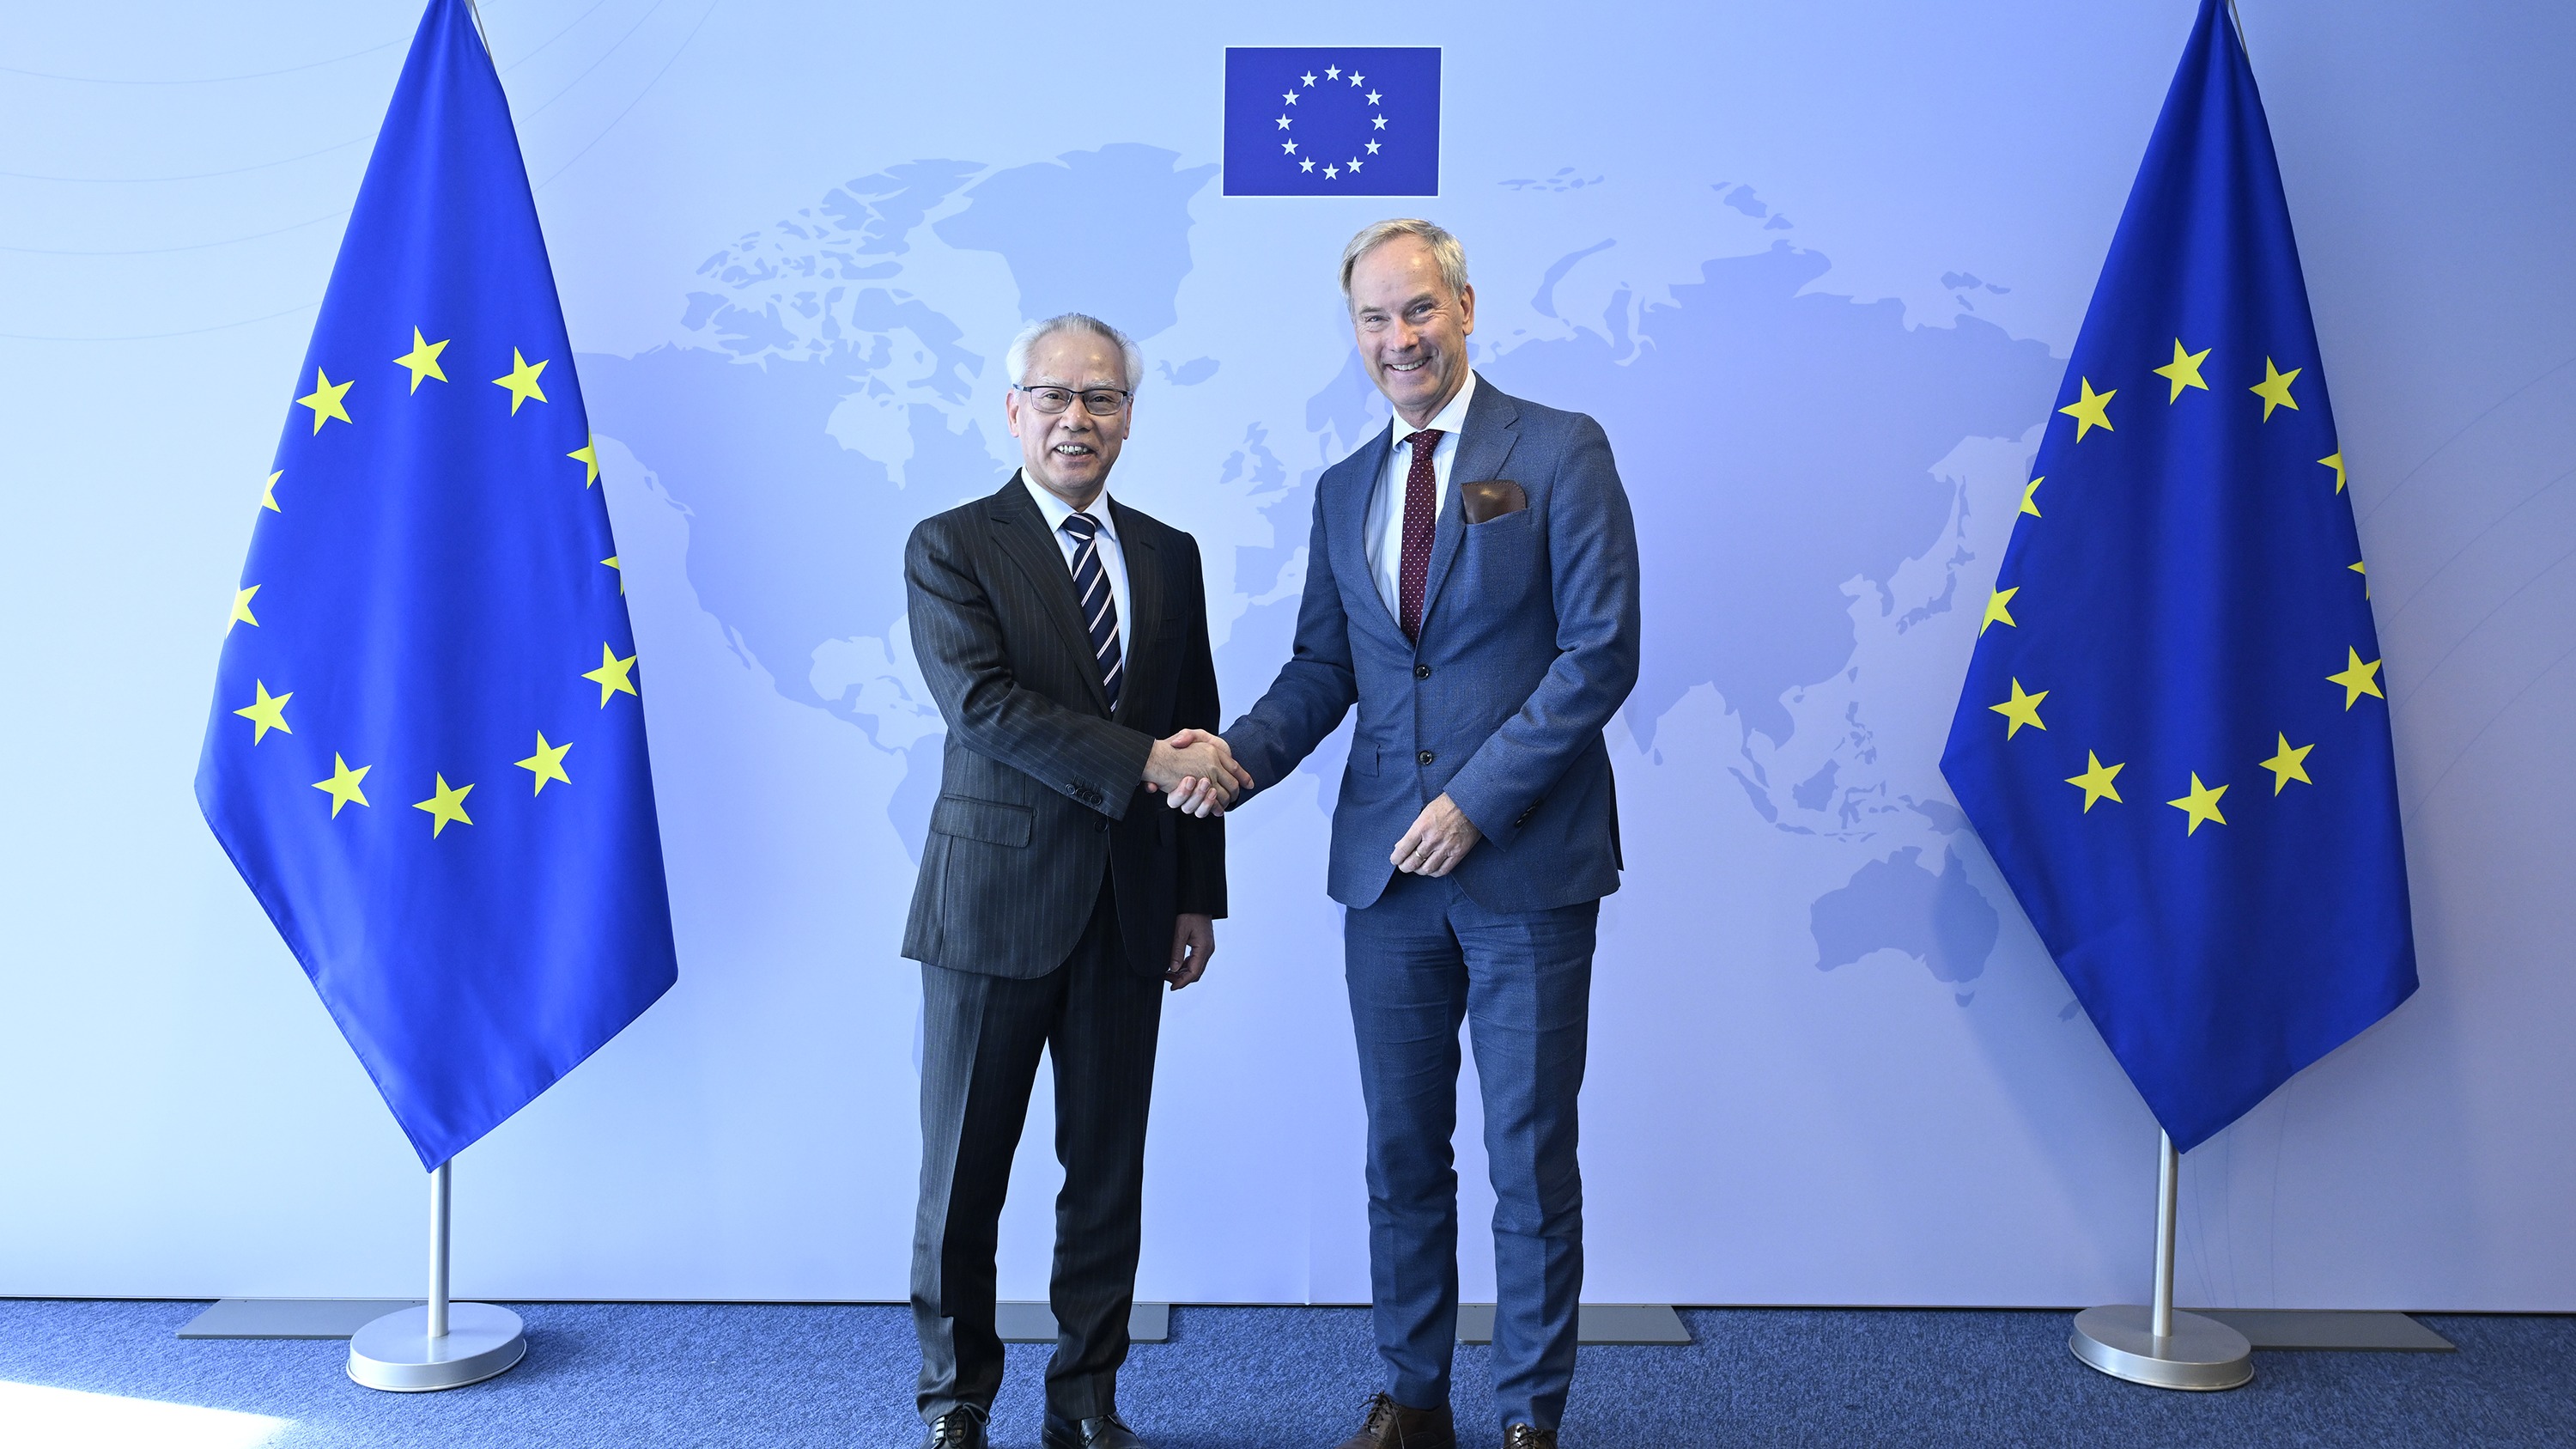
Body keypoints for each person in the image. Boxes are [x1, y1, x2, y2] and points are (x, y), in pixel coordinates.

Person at [1185, 220, 1641, 1449]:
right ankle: (1414, 1398)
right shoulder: (1344, 490)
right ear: (1356, 335)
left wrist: (1476, 803)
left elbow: (1600, 654)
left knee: (1528, 1156)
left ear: (1466, 308)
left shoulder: (1560, 448)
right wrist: (1232, 761)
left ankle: (1530, 1417)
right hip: (1385, 881)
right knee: (1400, 1155)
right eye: (1375, 319)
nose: (1400, 339)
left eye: (1420, 309)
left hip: (1527, 866)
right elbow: (1322, 668)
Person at [901, 312, 1253, 1449]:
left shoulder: (1168, 553)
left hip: (1130, 907)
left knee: (1105, 1171)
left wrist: (1196, 892)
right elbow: (984, 708)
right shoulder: (952, 545)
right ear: (1015, 411)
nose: (1076, 418)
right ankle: (957, 1399)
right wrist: (1147, 761)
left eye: (1100, 398)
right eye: (1053, 396)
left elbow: (1194, 723)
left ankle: (1087, 1399)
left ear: (1128, 419)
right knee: (964, 1177)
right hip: (990, 909)